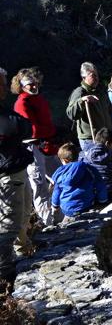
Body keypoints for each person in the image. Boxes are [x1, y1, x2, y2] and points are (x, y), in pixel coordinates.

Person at [11, 68, 60, 226]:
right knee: (39, 185)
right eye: (29, 83)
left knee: (60, 177)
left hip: (46, 144)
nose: (33, 86)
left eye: (34, 82)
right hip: (32, 147)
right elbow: (32, 131)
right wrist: (51, 131)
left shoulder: (39, 99)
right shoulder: (22, 103)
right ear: (21, 85)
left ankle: (61, 215)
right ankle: (47, 222)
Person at [0, 67, 34, 290]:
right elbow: (20, 126)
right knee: (9, 222)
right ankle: (5, 273)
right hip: (7, 172)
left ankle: (23, 251)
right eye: (1, 84)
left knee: (23, 214)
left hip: (14, 168)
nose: (4, 88)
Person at [51, 143, 107, 220]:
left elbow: (56, 191)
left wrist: (55, 205)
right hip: (86, 206)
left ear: (64, 160)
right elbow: (100, 185)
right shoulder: (89, 168)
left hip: (67, 209)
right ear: (77, 155)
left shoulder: (60, 172)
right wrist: (102, 200)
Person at [66, 62, 112, 151]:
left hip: (105, 137)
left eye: (97, 75)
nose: (96, 78)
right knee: (93, 164)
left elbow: (109, 111)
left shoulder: (101, 92)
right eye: (93, 75)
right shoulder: (80, 92)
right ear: (84, 77)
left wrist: (111, 127)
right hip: (90, 139)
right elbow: (71, 114)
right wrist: (82, 101)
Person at [81, 128, 112, 201]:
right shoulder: (111, 155)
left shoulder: (84, 152)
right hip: (108, 191)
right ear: (107, 143)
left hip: (89, 192)